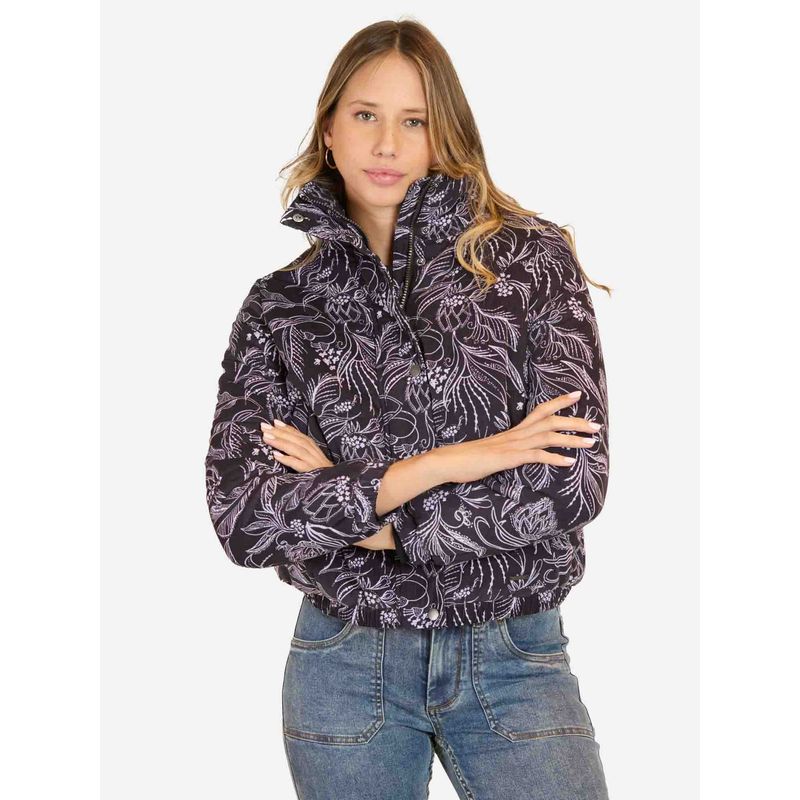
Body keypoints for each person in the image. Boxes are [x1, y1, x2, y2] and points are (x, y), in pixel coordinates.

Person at [204, 18, 613, 800]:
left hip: (514, 657)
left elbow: (572, 481)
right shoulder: (280, 306)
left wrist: (377, 521)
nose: (387, 143)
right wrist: (459, 460)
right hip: (345, 663)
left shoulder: (530, 261)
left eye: (414, 121)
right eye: (366, 115)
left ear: (441, 135)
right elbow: (246, 517)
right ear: (329, 129)